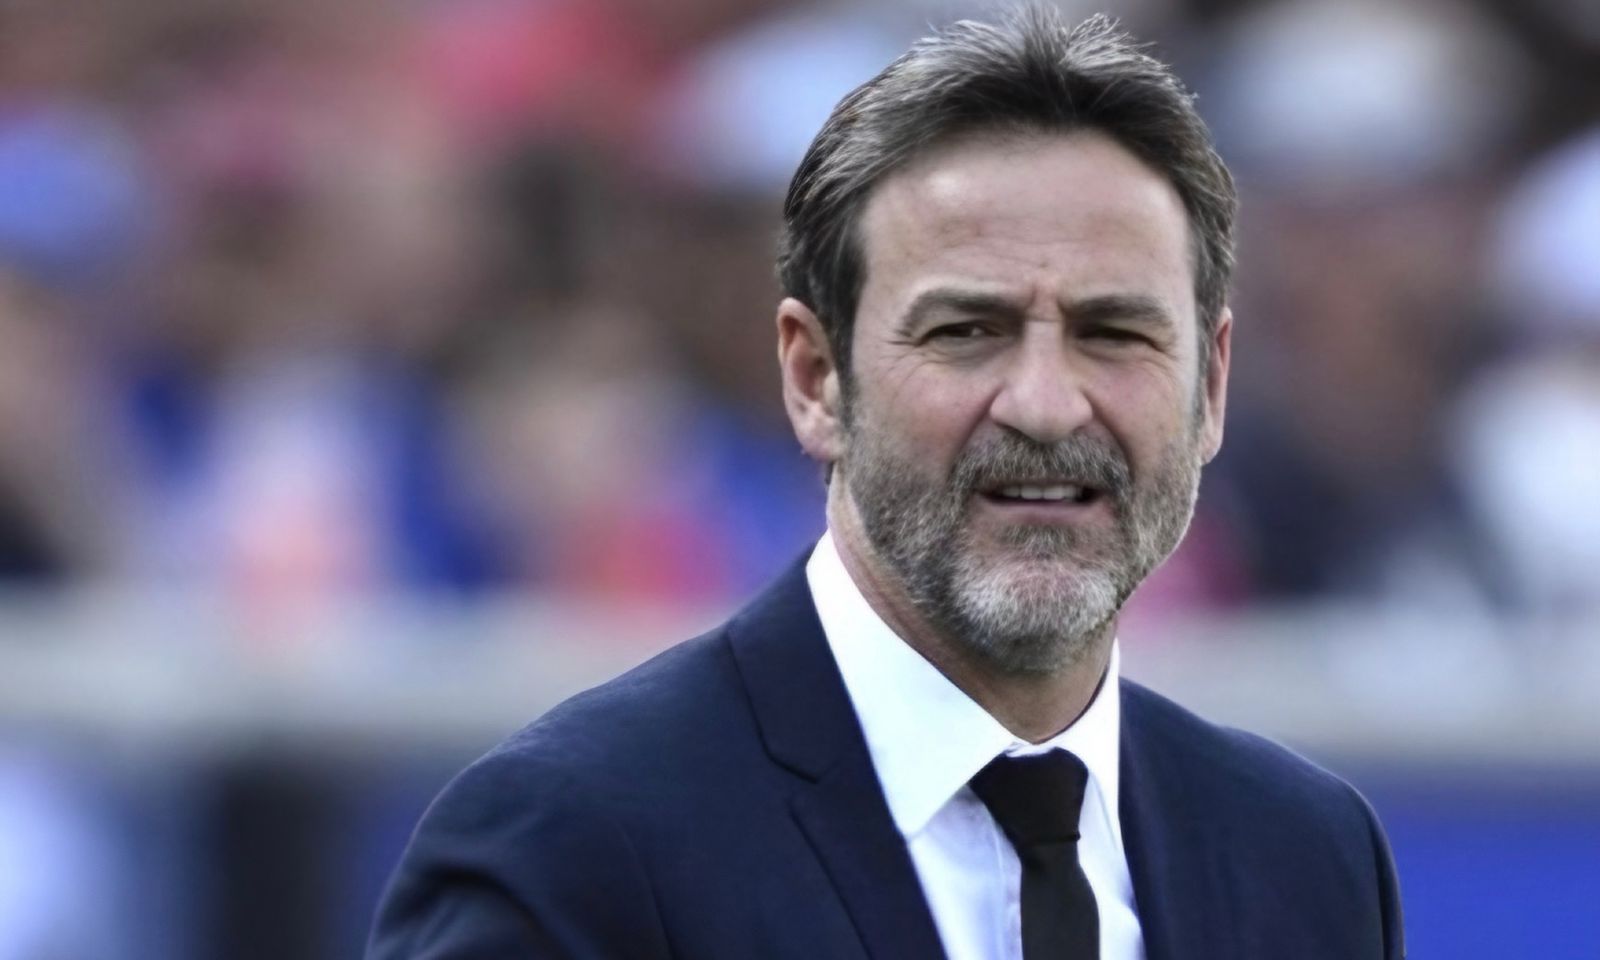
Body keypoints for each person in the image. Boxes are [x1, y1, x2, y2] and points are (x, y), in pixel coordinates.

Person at [367, 8, 1406, 959]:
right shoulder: (572, 846)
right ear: (816, 379)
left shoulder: (1306, 859)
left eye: (1113, 333)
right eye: (967, 331)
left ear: (1209, 387)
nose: (1046, 405)